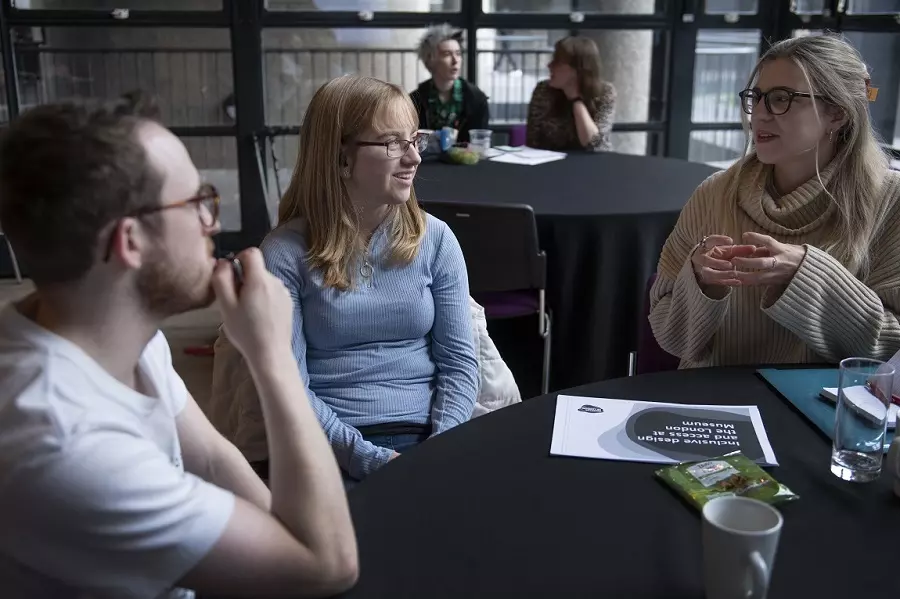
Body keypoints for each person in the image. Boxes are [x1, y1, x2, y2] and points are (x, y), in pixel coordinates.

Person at [0, 97, 358, 598]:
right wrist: (272, 355)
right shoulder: (63, 441)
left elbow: (212, 458)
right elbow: (329, 566)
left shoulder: (103, 326)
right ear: (130, 242)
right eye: (196, 203)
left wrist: (290, 535)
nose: (213, 222)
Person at [216, 75, 480, 485]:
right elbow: (289, 383)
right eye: (393, 143)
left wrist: (439, 451)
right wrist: (368, 459)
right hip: (330, 445)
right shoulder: (285, 253)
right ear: (341, 157)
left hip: (431, 434)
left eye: (415, 139)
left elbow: (460, 364)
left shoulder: (437, 239)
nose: (413, 159)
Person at [650, 34, 900, 368]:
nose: (760, 115)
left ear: (837, 113)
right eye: (757, 97)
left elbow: (891, 350)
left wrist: (806, 274)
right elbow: (669, 336)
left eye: (782, 98)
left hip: (824, 413)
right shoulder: (713, 194)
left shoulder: (890, 202)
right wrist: (699, 284)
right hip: (715, 405)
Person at [525, 36, 617, 152]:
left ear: (577, 69)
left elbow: (595, 145)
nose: (549, 66)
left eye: (557, 62)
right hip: (549, 164)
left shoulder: (605, 92)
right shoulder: (543, 90)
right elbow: (533, 142)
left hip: (592, 165)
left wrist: (575, 99)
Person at [410, 24, 490, 143]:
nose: (455, 60)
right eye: (447, 54)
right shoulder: (415, 101)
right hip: (425, 161)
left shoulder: (477, 100)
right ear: (430, 60)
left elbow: (478, 143)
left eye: (458, 53)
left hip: (464, 160)